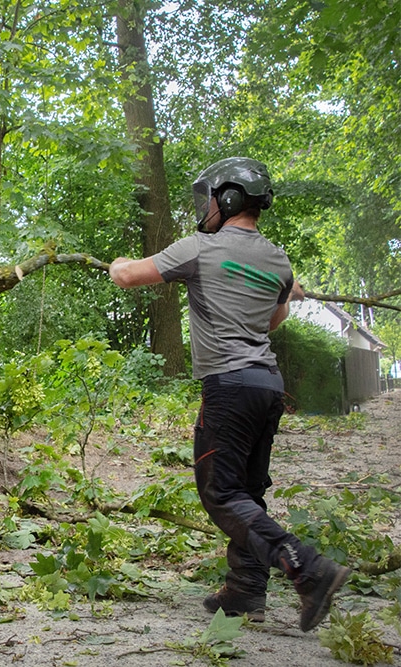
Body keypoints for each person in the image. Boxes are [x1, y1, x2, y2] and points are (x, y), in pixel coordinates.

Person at [108, 157, 350, 632]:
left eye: (211, 197)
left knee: (220, 492)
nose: (206, 207)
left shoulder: (201, 248)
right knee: (248, 492)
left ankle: (308, 568)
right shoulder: (278, 260)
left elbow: (127, 276)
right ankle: (245, 592)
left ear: (230, 198)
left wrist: (117, 262)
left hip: (229, 386)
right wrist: (286, 293)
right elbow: (272, 321)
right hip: (267, 385)